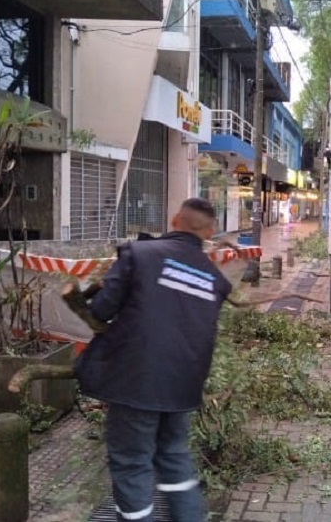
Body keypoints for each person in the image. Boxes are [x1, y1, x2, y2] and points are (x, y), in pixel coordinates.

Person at [75, 197, 233, 522]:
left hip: (136, 381)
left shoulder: (139, 254)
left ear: (175, 220)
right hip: (184, 385)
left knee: (132, 463)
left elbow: (101, 310)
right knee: (175, 459)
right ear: (210, 232)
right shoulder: (214, 280)